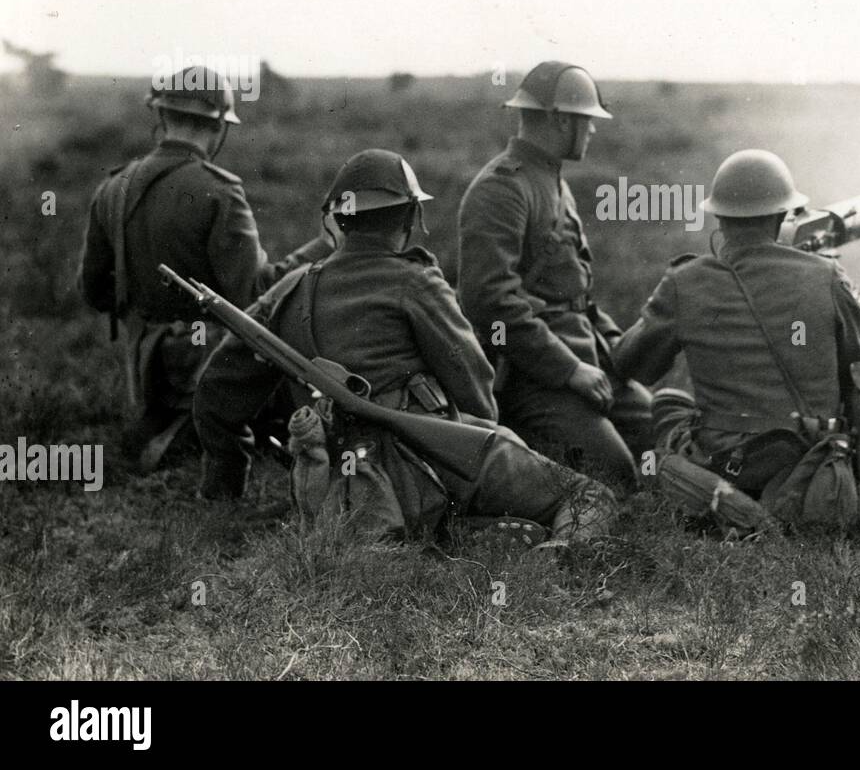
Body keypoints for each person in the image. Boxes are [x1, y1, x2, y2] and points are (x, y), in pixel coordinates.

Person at [193, 149, 616, 543]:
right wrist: (480, 440)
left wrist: (225, 485)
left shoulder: (289, 289)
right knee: (588, 496)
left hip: (332, 487)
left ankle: (457, 528)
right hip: (425, 467)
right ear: (411, 217)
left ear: (337, 219)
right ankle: (563, 550)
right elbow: (474, 385)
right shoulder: (417, 282)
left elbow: (216, 390)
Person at [611, 149, 860, 533]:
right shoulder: (826, 276)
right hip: (808, 465)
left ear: (719, 217)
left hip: (723, 460)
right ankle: (800, 500)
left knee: (669, 402)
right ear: (782, 216)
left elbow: (631, 364)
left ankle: (720, 496)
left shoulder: (684, 280)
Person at [78, 71, 331, 471]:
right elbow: (255, 294)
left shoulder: (114, 186)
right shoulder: (219, 190)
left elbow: (93, 290)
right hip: (207, 367)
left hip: (144, 367)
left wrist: (151, 313)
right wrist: (324, 244)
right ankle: (201, 430)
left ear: (161, 116)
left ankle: (167, 428)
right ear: (217, 126)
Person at [457, 62, 652, 493]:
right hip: (532, 375)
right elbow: (489, 302)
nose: (593, 132)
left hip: (584, 360)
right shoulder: (501, 189)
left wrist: (613, 346)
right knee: (615, 472)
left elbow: (576, 293)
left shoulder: (551, 181)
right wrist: (568, 371)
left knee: (659, 436)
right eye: (587, 121)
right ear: (562, 119)